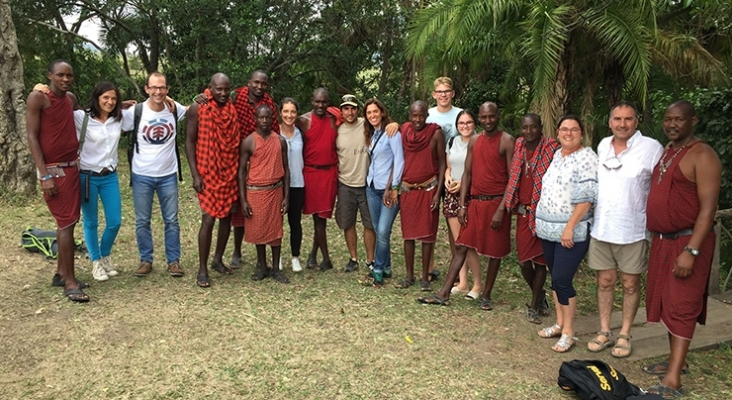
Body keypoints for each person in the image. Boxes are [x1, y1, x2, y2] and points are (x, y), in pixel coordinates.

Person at [642, 101, 720, 398]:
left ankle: (673, 380)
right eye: (668, 119)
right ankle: (676, 362)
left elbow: (708, 209)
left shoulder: (703, 154)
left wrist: (692, 250)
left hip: (686, 242)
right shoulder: (669, 150)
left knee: (682, 305)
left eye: (679, 120)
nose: (672, 124)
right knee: (667, 301)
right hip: (663, 240)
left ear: (693, 121)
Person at [417, 102, 514, 307]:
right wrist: (462, 206)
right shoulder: (475, 141)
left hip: (496, 203)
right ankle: (444, 293)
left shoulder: (506, 141)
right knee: (462, 245)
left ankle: (486, 294)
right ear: (480, 118)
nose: (488, 121)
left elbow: (512, 178)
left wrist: (501, 209)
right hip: (475, 202)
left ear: (498, 116)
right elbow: (468, 174)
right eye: (484, 117)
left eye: (491, 117)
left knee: (494, 252)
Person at [586, 101, 663, 356]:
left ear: (636, 121)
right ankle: (605, 331)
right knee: (605, 281)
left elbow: (662, 186)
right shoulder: (603, 145)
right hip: (603, 227)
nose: (622, 124)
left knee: (630, 283)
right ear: (610, 123)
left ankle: (625, 334)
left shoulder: (651, 148)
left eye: (627, 119)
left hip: (633, 229)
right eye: (617, 119)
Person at [534, 115, 598, 353]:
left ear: (581, 133)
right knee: (555, 276)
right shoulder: (557, 156)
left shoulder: (587, 158)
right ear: (558, 132)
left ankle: (569, 332)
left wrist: (570, 226)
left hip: (572, 231)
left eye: (574, 130)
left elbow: (587, 198)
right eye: (564, 129)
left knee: (562, 279)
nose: (568, 133)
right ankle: (560, 323)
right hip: (549, 230)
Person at [26, 59, 87, 302]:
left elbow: (86, 115)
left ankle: (62, 273)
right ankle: (70, 283)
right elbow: (32, 137)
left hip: (72, 167)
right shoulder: (39, 98)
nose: (65, 79)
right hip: (54, 171)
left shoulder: (69, 99)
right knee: (64, 223)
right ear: (50, 75)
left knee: (71, 221)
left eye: (69, 75)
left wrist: (119, 106)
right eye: (60, 75)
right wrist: (44, 175)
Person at [126, 72, 187, 278]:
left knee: (171, 220)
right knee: (142, 220)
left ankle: (173, 261)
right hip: (142, 174)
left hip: (168, 174)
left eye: (162, 88)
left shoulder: (174, 109)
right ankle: (146, 260)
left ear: (167, 90)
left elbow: (195, 109)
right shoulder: (136, 112)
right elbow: (105, 115)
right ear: (146, 89)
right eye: (154, 87)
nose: (158, 91)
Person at [185, 73, 240, 288]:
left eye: (227, 89)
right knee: (208, 219)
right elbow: (189, 142)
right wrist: (195, 175)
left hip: (229, 170)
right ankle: (202, 269)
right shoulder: (198, 108)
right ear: (210, 87)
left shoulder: (231, 106)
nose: (223, 93)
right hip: (207, 171)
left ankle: (217, 259)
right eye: (219, 89)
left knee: (226, 217)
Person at [505, 113, 560, 324]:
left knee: (539, 263)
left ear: (540, 128)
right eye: (525, 128)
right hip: (523, 214)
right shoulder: (519, 146)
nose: (529, 132)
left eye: (533, 127)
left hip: (543, 214)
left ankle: (534, 304)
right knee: (523, 263)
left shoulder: (550, 149)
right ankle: (541, 296)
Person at [75, 81, 131, 282]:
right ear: (97, 97)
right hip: (87, 177)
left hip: (109, 176)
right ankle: (96, 262)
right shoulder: (81, 117)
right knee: (91, 222)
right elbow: (57, 108)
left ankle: (105, 255)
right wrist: (41, 90)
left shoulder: (119, 119)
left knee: (115, 221)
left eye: (114, 98)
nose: (109, 101)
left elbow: (149, 107)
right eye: (105, 97)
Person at [229, 70, 280, 269]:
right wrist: (203, 97)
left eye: (263, 84)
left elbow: (274, 130)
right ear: (249, 82)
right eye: (256, 83)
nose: (259, 87)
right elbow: (215, 97)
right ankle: (237, 250)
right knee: (240, 207)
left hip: (262, 160)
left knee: (261, 210)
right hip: (240, 157)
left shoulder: (268, 102)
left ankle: (268, 253)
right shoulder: (236, 96)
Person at [238, 105, 290, 283]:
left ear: (272, 119)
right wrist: (243, 200)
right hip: (256, 192)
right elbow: (241, 172)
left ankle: (276, 268)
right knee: (258, 231)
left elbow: (287, 169)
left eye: (267, 118)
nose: (264, 121)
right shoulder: (249, 142)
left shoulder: (280, 141)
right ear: (255, 118)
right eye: (261, 117)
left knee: (276, 232)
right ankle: (262, 266)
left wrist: (286, 197)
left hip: (275, 191)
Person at [398, 101, 445, 291]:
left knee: (427, 237)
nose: (417, 119)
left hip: (428, 190)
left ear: (427, 115)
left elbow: (442, 165)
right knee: (408, 236)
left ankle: (425, 277)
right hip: (408, 190)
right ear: (410, 115)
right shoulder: (404, 131)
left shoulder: (435, 133)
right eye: (414, 115)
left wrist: (438, 193)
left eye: (421, 115)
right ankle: (409, 275)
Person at [296, 88, 339, 271]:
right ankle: (326, 259)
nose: (320, 105)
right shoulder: (303, 121)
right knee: (317, 218)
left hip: (329, 174)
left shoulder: (334, 120)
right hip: (311, 174)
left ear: (328, 102)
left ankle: (313, 256)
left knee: (322, 218)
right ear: (312, 101)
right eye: (317, 102)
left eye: (324, 102)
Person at [363, 98, 404, 287]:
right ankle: (386, 267)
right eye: (369, 113)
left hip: (388, 191)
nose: (372, 115)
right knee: (379, 229)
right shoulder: (371, 133)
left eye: (375, 111)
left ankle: (377, 270)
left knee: (382, 230)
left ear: (382, 112)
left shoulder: (392, 132)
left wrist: (394, 188)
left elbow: (400, 161)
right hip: (371, 187)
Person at [427, 76, 464, 281]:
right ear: (434, 94)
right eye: (439, 92)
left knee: (454, 223)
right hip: (432, 174)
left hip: (454, 176)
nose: (443, 95)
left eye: (446, 91)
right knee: (430, 221)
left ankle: (457, 268)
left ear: (452, 93)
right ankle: (430, 266)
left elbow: (469, 144)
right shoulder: (428, 115)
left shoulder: (460, 115)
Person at [335, 94, 376, 273]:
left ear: (357, 110)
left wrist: (393, 124)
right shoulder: (337, 130)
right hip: (345, 183)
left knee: (369, 223)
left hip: (366, 183)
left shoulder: (366, 124)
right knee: (348, 223)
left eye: (352, 108)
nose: (349, 112)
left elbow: (385, 123)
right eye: (346, 108)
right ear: (341, 111)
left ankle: (370, 260)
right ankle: (353, 258)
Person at [445, 110, 482, 300]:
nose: (465, 126)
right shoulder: (452, 141)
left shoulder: (479, 142)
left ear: (474, 124)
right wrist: (447, 177)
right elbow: (449, 166)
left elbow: (481, 171)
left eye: (469, 122)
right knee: (458, 241)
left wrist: (463, 184)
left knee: (468, 242)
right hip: (452, 196)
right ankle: (462, 282)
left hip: (469, 197)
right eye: (461, 123)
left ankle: (477, 284)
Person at [280, 98, 305, 272]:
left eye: (293, 112)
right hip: (278, 185)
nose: (289, 115)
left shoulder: (301, 133)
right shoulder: (274, 133)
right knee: (277, 223)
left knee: (295, 222)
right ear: (280, 113)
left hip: (297, 183)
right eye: (286, 111)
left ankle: (295, 257)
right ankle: (277, 256)